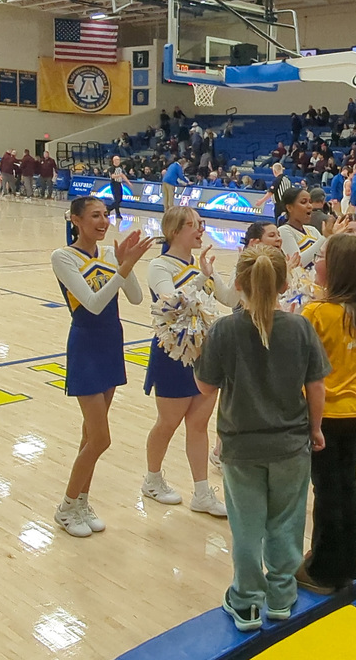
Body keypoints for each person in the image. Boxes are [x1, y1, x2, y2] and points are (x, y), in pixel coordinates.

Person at [193, 245, 328, 631]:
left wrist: (197, 351)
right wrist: (315, 428)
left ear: (238, 284)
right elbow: (316, 386)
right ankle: (282, 597)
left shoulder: (224, 329)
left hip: (241, 446)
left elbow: (204, 387)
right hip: (290, 445)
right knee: (286, 524)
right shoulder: (300, 326)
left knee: (246, 527)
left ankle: (247, 602)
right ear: (285, 284)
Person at [51, 196, 153, 537]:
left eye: (106, 215)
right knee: (101, 438)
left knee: (88, 435)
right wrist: (122, 267)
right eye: (95, 215)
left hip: (112, 341)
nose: (103, 221)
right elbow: (93, 305)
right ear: (76, 220)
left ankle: (82, 500)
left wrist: (126, 263)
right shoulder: (63, 257)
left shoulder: (109, 255)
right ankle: (66, 506)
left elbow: (136, 298)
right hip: (85, 345)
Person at [142, 207, 241, 517]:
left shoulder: (202, 265)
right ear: (174, 230)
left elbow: (229, 299)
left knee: (199, 425)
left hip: (205, 355)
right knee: (168, 423)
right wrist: (202, 275)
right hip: (174, 354)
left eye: (201, 224)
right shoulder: (160, 266)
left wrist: (247, 264)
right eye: (193, 225)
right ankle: (152, 479)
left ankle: (201, 493)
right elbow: (172, 303)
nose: (200, 230)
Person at [297, 234, 356, 594]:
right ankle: (345, 563)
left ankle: (323, 570)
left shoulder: (316, 312)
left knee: (327, 490)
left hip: (323, 413)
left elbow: (299, 364)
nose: (317, 261)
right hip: (355, 408)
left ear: (337, 270)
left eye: (323, 256)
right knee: (346, 485)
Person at [280, 187, 334, 269]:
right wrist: (325, 237)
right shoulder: (284, 231)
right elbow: (297, 263)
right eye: (303, 202)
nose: (310, 206)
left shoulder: (312, 230)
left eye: (310, 202)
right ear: (289, 208)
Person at [105, 155, 132, 220]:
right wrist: (119, 175)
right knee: (117, 199)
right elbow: (112, 176)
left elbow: (123, 175)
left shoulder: (120, 167)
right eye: (117, 160)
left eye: (119, 160)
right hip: (114, 184)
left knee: (119, 199)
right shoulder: (111, 168)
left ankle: (109, 209)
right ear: (114, 161)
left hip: (119, 184)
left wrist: (128, 182)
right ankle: (117, 213)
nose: (119, 161)